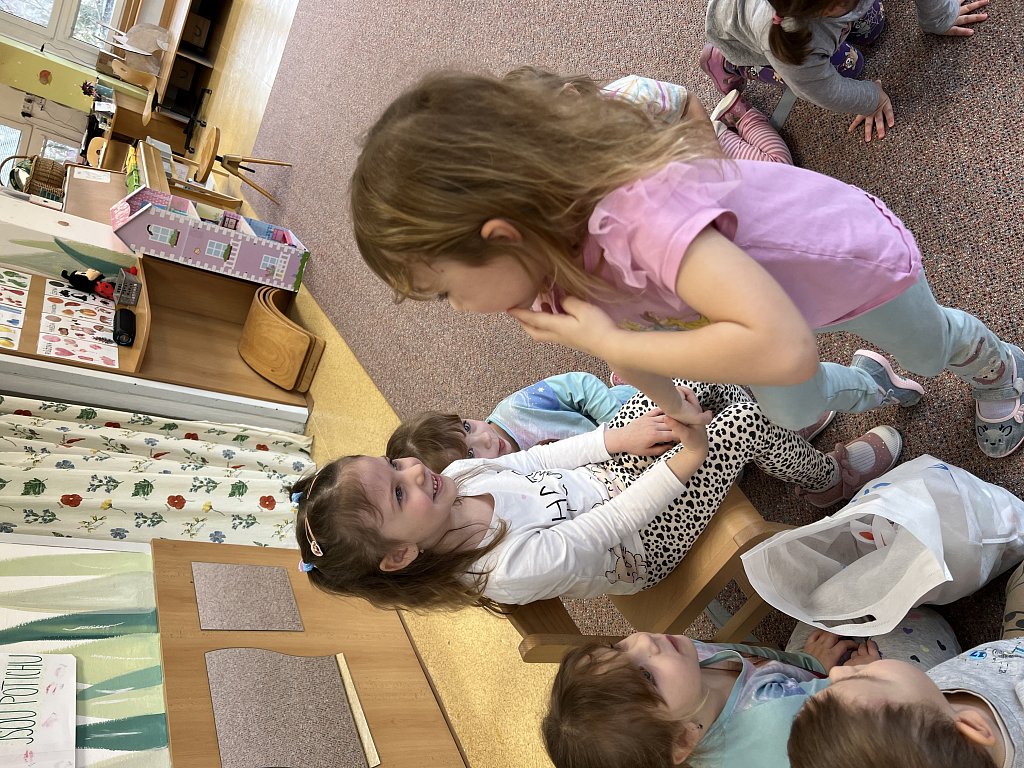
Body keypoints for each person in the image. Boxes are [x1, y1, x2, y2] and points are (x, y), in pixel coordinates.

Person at [349, 71, 1023, 458]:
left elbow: (784, 349)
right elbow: (629, 345)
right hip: (740, 320)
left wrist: (703, 174)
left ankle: (1000, 372)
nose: (461, 310)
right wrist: (675, 406)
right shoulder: (542, 273)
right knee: (796, 408)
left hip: (842, 266)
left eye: (446, 292)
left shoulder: (637, 215)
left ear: (500, 236)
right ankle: (873, 385)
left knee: (931, 348)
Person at [293, 381, 900, 610]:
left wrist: (618, 438)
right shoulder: (506, 571)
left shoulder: (461, 480)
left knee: (686, 382)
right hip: (640, 543)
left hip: (610, 478)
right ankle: (826, 480)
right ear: (399, 555)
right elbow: (611, 525)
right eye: (399, 495)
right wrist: (687, 457)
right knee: (735, 421)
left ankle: (776, 442)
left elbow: (540, 459)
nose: (412, 472)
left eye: (393, 464)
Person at [542, 607, 961, 768]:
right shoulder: (773, 724)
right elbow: (854, 718)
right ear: (684, 739)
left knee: (822, 611)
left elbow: (756, 658)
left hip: (802, 678)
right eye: (647, 677)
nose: (643, 643)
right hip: (854, 723)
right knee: (916, 626)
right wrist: (865, 674)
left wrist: (811, 663)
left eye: (618, 648)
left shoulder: (681, 662)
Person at [787, 559, 1024, 768]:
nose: (836, 672)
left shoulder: (929, 723)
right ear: (972, 726)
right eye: (869, 678)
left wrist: (866, 678)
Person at [702, 0, 989, 141]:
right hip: (743, 35)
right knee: (850, 66)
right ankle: (725, 62)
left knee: (873, 26)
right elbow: (819, 89)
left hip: (807, 20)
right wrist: (871, 99)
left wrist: (939, 17)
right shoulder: (789, 36)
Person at [507, 67, 792, 164]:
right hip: (679, 184)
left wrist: (710, 152)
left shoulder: (631, 93)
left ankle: (740, 116)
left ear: (571, 96)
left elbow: (687, 101)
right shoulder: (570, 160)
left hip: (699, 144)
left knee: (780, 170)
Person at [387, 371, 640, 470]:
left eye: (467, 427)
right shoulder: (504, 480)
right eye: (471, 453)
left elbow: (580, 384)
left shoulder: (517, 408)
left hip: (626, 415)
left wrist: (620, 423)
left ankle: (632, 375)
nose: (485, 438)